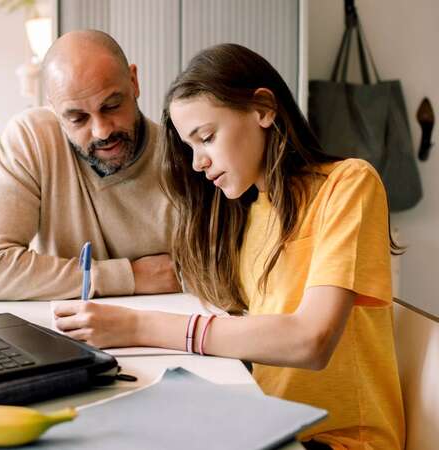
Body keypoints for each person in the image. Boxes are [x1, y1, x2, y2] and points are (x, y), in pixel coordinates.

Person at [54, 43, 405, 449]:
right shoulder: (248, 214)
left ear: (263, 109)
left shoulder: (347, 185)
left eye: (206, 138)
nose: (198, 162)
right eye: (190, 149)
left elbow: (311, 341)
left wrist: (138, 326)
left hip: (337, 440)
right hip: (269, 424)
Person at [0, 30, 180, 300]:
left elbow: (215, 272)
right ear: (54, 109)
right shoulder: (33, 138)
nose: (102, 131)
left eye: (112, 106)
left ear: (134, 82)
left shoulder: (186, 159)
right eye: (78, 118)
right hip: (61, 334)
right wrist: (130, 277)